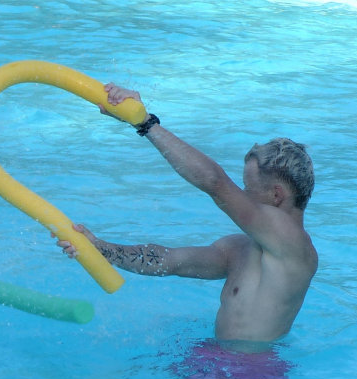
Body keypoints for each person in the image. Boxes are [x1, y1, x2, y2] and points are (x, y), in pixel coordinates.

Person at [57, 83, 317, 344]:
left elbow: (215, 183)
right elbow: (169, 261)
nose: (241, 195)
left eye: (247, 188)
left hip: (254, 365)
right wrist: (100, 248)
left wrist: (145, 123)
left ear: (276, 195)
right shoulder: (239, 249)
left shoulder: (295, 244)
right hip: (219, 357)